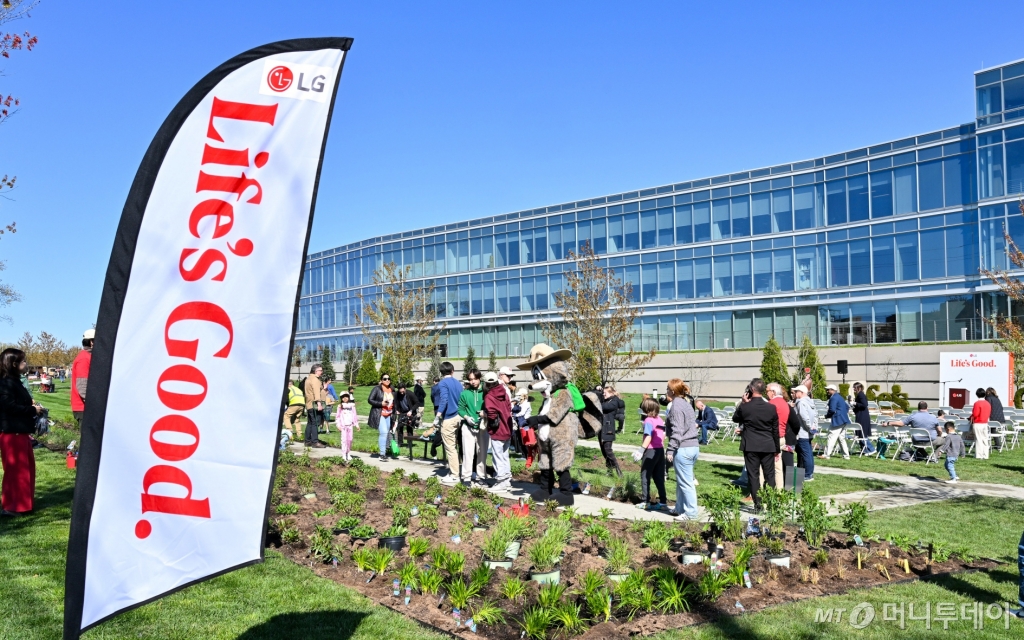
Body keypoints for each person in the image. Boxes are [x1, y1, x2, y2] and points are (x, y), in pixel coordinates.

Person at [0, 348, 43, 515]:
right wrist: (32, 410)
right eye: (23, 361)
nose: (26, 364)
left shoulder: (15, 381)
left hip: (20, 432)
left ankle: (22, 504)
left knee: (25, 469)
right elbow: (8, 406)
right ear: (14, 364)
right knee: (16, 471)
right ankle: (13, 506)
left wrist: (30, 404)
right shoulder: (5, 383)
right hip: (12, 433)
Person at [732, 378, 779, 511]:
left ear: (752, 390)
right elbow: (775, 430)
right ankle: (770, 504)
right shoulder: (771, 407)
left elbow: (735, 418)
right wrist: (776, 449)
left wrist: (743, 403)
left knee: (753, 475)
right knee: (770, 475)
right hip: (768, 444)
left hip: (751, 445)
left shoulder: (746, 407)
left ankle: (757, 504)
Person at [665, 379, 699, 520]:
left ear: (672, 391)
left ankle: (691, 513)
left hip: (683, 448)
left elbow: (677, 430)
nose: (665, 391)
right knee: (682, 480)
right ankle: (679, 508)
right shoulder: (686, 403)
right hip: (693, 446)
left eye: (667, 388)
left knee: (686, 483)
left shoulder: (676, 406)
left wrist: (670, 449)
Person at [481, 371, 513, 493]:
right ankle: (507, 480)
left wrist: (485, 414)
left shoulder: (489, 396)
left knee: (498, 457)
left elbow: (492, 414)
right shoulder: (504, 391)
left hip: (498, 430)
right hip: (507, 428)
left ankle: (501, 481)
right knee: (505, 456)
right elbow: (509, 407)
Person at [434, 363, 464, 485]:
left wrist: (437, 416)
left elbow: (444, 400)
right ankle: (457, 470)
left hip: (449, 417)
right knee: (457, 446)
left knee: (450, 448)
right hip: (460, 416)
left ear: (441, 372)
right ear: (453, 370)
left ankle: (454, 475)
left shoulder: (442, 383)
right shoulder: (458, 383)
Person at [637, 397, 668, 510]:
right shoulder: (660, 419)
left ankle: (645, 501)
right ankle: (663, 502)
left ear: (646, 408)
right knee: (659, 477)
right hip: (660, 450)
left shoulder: (648, 421)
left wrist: (641, 450)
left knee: (645, 475)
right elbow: (664, 434)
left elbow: (648, 436)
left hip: (650, 451)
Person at [457, 369, 486, 486]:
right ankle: (466, 477)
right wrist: (466, 417)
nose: (473, 381)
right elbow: (460, 409)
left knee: (482, 452)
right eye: (470, 379)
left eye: (475, 379)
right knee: (467, 452)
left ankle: (481, 477)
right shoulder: (465, 393)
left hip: (483, 425)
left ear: (479, 378)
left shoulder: (486, 391)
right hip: (468, 426)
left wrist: (485, 414)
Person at [367, 373, 395, 459]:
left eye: (388, 378)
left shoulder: (392, 389)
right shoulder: (377, 389)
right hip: (380, 413)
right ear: (381, 380)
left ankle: (384, 451)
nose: (387, 380)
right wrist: (381, 403)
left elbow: (395, 402)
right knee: (383, 433)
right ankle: (382, 454)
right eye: (385, 379)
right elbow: (370, 400)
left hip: (389, 414)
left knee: (386, 433)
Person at [792, 384, 817, 481]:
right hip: (809, 432)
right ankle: (809, 473)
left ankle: (808, 474)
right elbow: (815, 416)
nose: (795, 393)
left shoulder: (801, 402)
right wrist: (813, 428)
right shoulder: (810, 402)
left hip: (803, 432)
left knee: (806, 454)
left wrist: (809, 427)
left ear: (802, 393)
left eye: (796, 391)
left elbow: (804, 417)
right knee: (809, 453)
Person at [597, 385, 622, 477]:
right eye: (603, 393)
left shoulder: (615, 402)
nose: (603, 394)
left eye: (605, 393)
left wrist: (598, 402)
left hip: (608, 429)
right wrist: (597, 389)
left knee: (608, 451)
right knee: (604, 451)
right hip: (601, 429)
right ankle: (610, 470)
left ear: (611, 393)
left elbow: (603, 407)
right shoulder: (605, 400)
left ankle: (618, 471)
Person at [71, 328, 94, 426]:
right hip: (83, 408)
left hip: (86, 407)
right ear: (91, 342)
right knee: (89, 440)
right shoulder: (84, 358)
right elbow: (82, 386)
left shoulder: (88, 356)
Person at [822, 384, 851, 460]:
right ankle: (846, 455)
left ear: (832, 390)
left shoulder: (834, 398)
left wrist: (826, 416)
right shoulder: (839, 397)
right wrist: (842, 412)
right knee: (841, 438)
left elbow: (832, 410)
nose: (827, 391)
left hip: (838, 420)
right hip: (843, 419)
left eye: (828, 389)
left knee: (831, 437)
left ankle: (826, 454)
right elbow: (847, 407)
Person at [302, 364, 326, 449]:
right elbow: (316, 392)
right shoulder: (315, 380)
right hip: (315, 405)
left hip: (309, 404)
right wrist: (319, 403)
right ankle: (315, 442)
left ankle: (307, 441)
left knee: (310, 423)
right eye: (320, 370)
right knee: (315, 423)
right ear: (316, 371)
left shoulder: (308, 378)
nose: (321, 372)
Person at [513, 388, 537, 468]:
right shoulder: (520, 403)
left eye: (520, 395)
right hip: (520, 423)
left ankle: (529, 456)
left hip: (526, 423)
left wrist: (513, 415)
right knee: (521, 440)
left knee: (528, 441)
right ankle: (524, 455)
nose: (518, 397)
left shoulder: (526, 403)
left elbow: (522, 413)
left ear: (524, 396)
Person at [851, 382, 876, 454]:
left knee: (862, 433)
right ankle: (865, 450)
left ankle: (871, 449)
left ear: (859, 388)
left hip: (863, 416)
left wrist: (855, 403)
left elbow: (864, 404)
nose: (853, 389)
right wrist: (853, 405)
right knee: (860, 433)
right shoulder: (859, 395)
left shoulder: (861, 394)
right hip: (860, 415)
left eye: (855, 387)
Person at [969, 388, 992, 460]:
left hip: (978, 422)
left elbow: (975, 414)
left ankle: (979, 455)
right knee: (985, 439)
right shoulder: (988, 403)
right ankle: (985, 455)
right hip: (985, 423)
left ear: (977, 395)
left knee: (978, 439)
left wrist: (970, 417)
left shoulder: (977, 403)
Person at [335, 392, 357, 462]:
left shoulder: (352, 406)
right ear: (341, 398)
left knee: (350, 440)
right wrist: (338, 425)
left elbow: (354, 415)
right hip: (343, 426)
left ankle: (348, 453)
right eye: (343, 397)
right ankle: (344, 454)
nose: (345, 398)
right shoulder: (340, 407)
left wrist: (356, 425)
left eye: (346, 397)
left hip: (350, 426)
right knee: (344, 440)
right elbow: (337, 417)